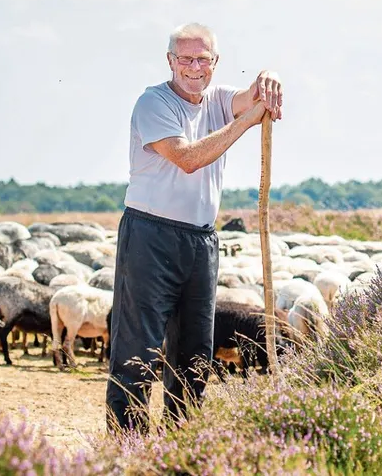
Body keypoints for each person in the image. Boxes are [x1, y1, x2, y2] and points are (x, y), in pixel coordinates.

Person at [105, 22, 282, 433]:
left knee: (195, 353)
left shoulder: (218, 99)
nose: (193, 67)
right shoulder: (153, 104)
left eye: (202, 59)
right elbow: (187, 158)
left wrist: (269, 77)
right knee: (138, 351)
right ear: (170, 61)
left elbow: (253, 94)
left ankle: (180, 445)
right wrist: (248, 122)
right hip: (150, 235)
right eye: (184, 58)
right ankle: (126, 449)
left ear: (215, 63)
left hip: (200, 240)